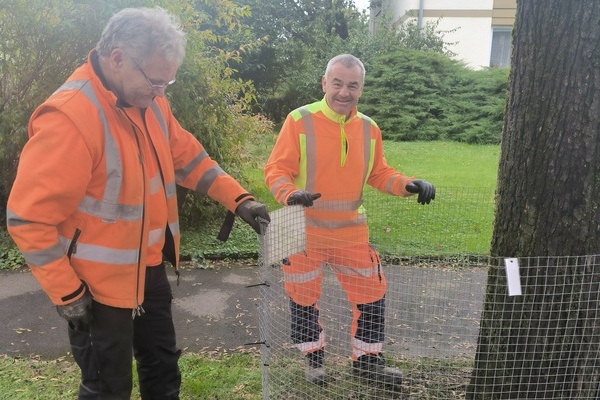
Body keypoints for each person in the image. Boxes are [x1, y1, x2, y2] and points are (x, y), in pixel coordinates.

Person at [6, 7, 270, 400]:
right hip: (94, 289)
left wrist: (240, 200)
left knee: (162, 368)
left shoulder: (149, 99)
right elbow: (28, 218)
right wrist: (67, 294)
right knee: (107, 387)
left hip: (149, 270)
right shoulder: (70, 118)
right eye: (155, 80)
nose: (161, 91)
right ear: (117, 59)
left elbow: (189, 158)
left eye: (168, 81)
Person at [264, 54, 435, 387]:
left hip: (351, 233)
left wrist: (407, 185)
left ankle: (367, 363)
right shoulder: (299, 120)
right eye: (338, 83)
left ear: (361, 88)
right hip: (301, 230)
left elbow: (379, 173)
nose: (344, 92)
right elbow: (276, 170)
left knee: (372, 296)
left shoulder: (369, 128)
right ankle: (313, 361)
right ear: (324, 83)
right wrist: (289, 193)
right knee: (302, 299)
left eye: (352, 85)